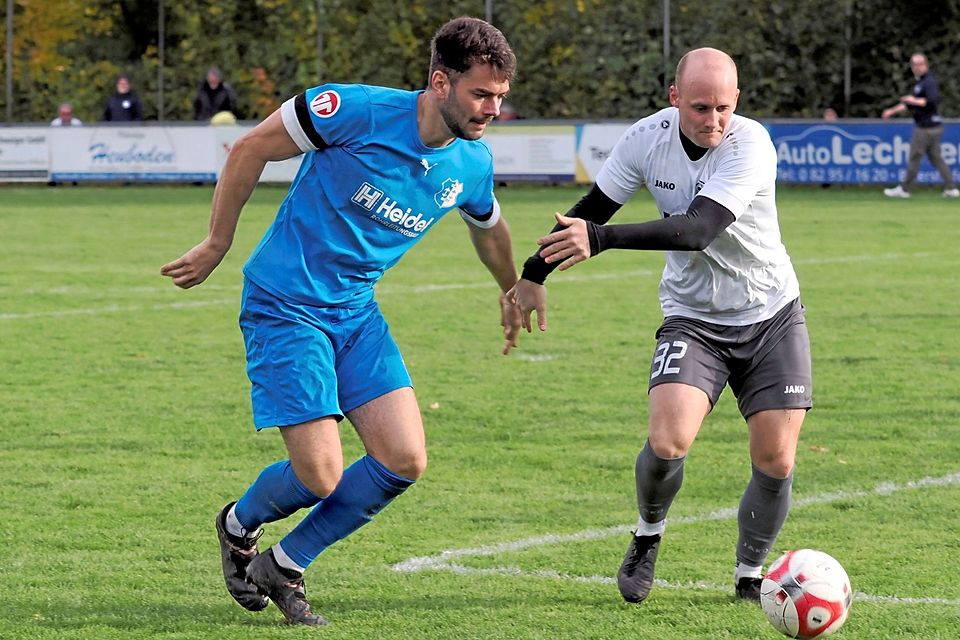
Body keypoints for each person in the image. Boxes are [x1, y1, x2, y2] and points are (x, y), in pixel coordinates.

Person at [160, 16, 520, 626]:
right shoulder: (352, 110)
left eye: (500, 98)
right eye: (480, 94)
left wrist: (513, 286)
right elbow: (249, 148)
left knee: (404, 459)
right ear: (440, 81)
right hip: (285, 305)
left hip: (355, 312)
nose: (491, 108)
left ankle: (286, 563)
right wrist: (218, 241)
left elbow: (489, 229)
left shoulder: (472, 164)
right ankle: (237, 524)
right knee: (322, 475)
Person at [509, 47, 812, 605]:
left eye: (723, 106)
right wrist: (534, 274)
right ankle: (647, 537)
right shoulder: (645, 139)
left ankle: (750, 573)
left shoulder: (751, 144)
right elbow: (594, 207)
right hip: (692, 318)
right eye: (700, 107)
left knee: (777, 458)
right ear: (674, 99)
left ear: (737, 101)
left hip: (771, 314)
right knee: (667, 440)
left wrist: (600, 241)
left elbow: (698, 229)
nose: (713, 120)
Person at [881, 53, 959, 198]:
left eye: (920, 64)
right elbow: (908, 104)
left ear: (926, 65)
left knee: (915, 158)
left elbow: (930, 101)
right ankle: (951, 188)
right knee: (936, 158)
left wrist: (913, 100)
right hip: (933, 126)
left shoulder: (928, 82)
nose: (917, 67)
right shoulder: (919, 83)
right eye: (915, 64)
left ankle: (904, 189)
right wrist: (891, 111)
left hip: (926, 127)